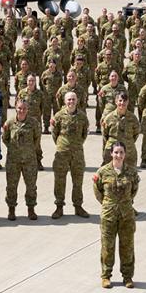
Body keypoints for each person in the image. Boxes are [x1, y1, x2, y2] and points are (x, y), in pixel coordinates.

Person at [94, 142, 139, 289]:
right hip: (109, 215)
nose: (118, 155)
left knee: (127, 247)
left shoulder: (132, 172)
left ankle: (127, 277)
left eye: (121, 153)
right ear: (111, 154)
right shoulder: (102, 172)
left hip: (126, 215)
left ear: (125, 155)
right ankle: (106, 276)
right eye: (116, 152)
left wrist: (124, 203)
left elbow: (134, 191)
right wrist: (109, 204)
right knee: (108, 247)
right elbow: (98, 191)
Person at [51, 91, 90, 219]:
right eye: (69, 100)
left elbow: (84, 134)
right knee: (60, 180)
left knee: (78, 181)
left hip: (78, 153)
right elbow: (54, 133)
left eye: (73, 99)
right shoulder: (58, 116)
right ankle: (59, 206)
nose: (71, 102)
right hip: (62, 153)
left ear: (77, 101)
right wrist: (62, 144)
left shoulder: (82, 117)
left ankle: (78, 206)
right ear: (64, 101)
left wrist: (77, 144)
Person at [2, 98, 41, 221]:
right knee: (11, 186)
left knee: (31, 186)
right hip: (13, 160)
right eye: (19, 108)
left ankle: (31, 209)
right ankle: (11, 209)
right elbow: (5, 138)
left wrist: (27, 150)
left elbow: (36, 139)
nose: (22, 110)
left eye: (24, 108)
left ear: (27, 109)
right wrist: (15, 149)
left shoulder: (34, 123)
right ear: (15, 108)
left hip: (30, 160)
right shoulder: (9, 123)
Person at [101, 92, 140, 167]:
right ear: (116, 102)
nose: (122, 103)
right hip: (112, 151)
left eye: (124, 101)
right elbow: (105, 135)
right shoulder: (109, 118)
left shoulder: (133, 118)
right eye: (120, 100)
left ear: (128, 102)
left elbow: (136, 133)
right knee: (111, 175)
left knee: (129, 175)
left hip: (129, 151)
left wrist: (128, 142)